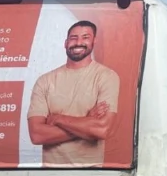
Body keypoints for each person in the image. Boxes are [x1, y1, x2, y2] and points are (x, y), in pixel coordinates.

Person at [27, 20, 121, 167]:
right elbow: (37, 135)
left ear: (94, 41)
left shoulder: (106, 76)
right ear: (65, 43)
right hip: (50, 172)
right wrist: (87, 121)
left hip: (92, 172)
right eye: (73, 38)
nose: (78, 42)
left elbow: (102, 129)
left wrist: (58, 119)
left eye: (85, 37)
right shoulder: (45, 81)